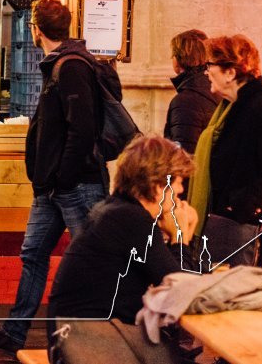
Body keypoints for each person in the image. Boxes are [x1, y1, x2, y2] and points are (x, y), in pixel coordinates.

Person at [0, 0, 111, 356]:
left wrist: (63, 177)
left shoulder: (71, 66)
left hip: (75, 185)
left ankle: (101, 338)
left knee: (91, 261)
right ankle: (14, 333)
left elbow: (82, 129)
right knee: (33, 254)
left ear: (36, 29)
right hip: (52, 187)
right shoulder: (58, 64)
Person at [45, 136, 197, 362]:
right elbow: (180, 290)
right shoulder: (131, 219)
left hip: (77, 337)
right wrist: (181, 237)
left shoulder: (116, 210)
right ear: (158, 186)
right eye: (178, 182)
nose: (181, 190)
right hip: (90, 344)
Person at [188, 34, 262, 268]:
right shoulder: (230, 110)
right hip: (229, 224)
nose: (206, 72)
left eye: (210, 65)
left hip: (251, 231)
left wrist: (238, 203)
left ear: (230, 72)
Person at [163, 30, 219, 154]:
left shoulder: (184, 102)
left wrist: (167, 173)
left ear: (177, 59)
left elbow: (183, 154)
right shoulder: (216, 89)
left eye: (173, 55)